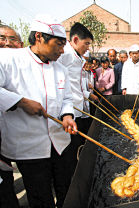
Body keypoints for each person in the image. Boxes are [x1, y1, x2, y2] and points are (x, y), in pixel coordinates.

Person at [0, 14, 77, 208]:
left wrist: (67, 115)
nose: (62, 50)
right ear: (39, 38)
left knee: (67, 189)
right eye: (58, 44)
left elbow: (67, 98)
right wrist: (21, 101)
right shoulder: (9, 59)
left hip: (60, 143)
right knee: (40, 196)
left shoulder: (61, 69)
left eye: (63, 45)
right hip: (29, 147)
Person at [57, 22, 99, 180]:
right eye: (86, 43)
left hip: (78, 108)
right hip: (70, 111)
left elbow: (76, 85)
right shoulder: (64, 54)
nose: (88, 47)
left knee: (79, 145)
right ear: (74, 40)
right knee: (72, 149)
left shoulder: (77, 56)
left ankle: (80, 171)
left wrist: (87, 96)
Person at [0, 24, 24, 208]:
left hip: (16, 134)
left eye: (12, 39)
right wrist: (21, 102)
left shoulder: (22, 66)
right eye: (2, 38)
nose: (7, 44)